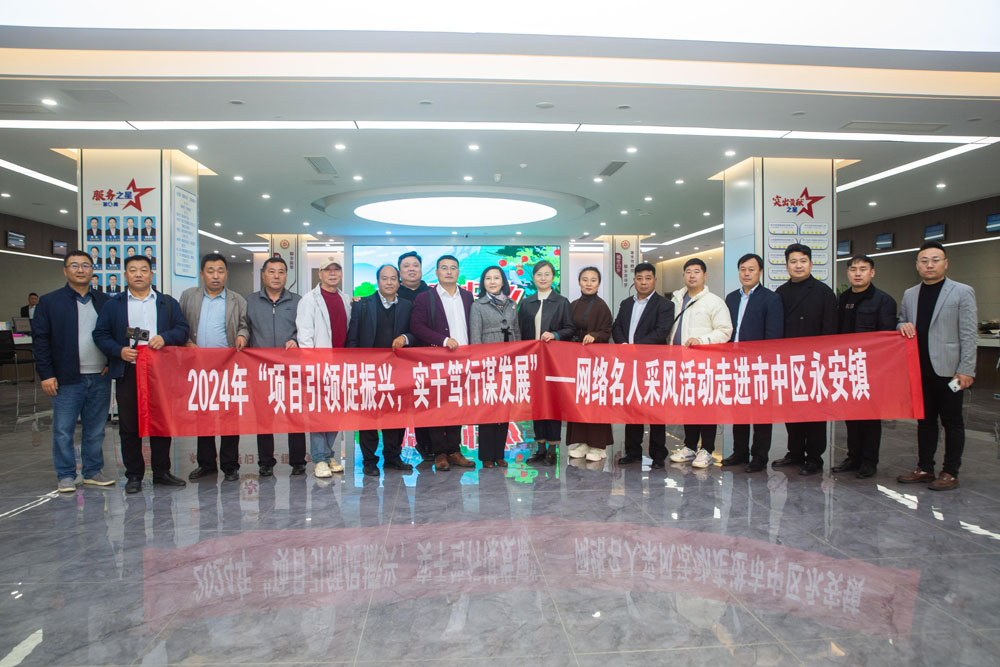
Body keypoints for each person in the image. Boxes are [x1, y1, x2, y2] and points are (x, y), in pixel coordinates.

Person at [93, 254, 189, 494]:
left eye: (144, 270)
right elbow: (100, 335)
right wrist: (119, 351)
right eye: (133, 270)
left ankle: (162, 471)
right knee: (129, 425)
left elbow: (182, 329)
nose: (138, 274)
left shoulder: (167, 303)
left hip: (160, 374)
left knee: (161, 423)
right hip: (129, 371)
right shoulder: (114, 305)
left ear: (151, 274)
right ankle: (134, 475)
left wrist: (165, 338)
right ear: (125, 275)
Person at [897, 241, 977, 491]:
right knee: (925, 421)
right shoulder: (910, 294)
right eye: (924, 261)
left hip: (951, 372)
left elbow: (968, 333)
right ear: (917, 265)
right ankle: (924, 468)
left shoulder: (962, 291)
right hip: (919, 371)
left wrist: (966, 369)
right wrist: (901, 325)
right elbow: (902, 321)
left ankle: (950, 471)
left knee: (952, 421)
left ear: (945, 263)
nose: (929, 265)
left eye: (935, 260)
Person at [33, 251, 115, 492]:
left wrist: (111, 362)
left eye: (85, 265)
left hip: (99, 375)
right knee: (63, 429)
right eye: (75, 265)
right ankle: (66, 475)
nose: (80, 270)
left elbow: (114, 334)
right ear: (65, 270)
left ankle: (93, 471)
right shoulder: (50, 302)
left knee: (96, 429)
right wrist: (46, 374)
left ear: (92, 270)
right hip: (66, 377)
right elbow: (41, 341)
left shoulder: (105, 301)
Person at [180, 253, 249, 483]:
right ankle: (206, 464)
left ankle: (230, 465)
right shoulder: (188, 297)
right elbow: (180, 325)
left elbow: (244, 325)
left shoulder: (237, 300)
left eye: (220, 271)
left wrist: (242, 335)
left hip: (228, 367)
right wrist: (186, 341)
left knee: (229, 416)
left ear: (226, 273)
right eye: (210, 271)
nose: (216, 276)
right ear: (202, 274)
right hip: (198, 368)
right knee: (203, 417)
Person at [772, 243, 838, 476]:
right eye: (793, 261)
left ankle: (814, 458)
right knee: (792, 410)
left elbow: (830, 330)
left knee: (815, 412)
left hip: (816, 363)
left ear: (810, 263)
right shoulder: (780, 293)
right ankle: (795, 452)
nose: (798, 265)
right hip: (788, 362)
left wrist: (823, 360)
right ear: (786, 265)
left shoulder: (823, 292)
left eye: (803, 261)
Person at [830, 255, 898, 479]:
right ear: (848, 273)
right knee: (851, 415)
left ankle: (869, 461)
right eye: (853, 269)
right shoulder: (842, 299)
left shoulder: (883, 301)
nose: (857, 273)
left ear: (872, 272)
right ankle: (853, 457)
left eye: (863, 269)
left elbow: (886, 338)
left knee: (870, 417)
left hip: (871, 368)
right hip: (846, 366)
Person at [347, 264, 415, 476]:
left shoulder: (407, 306)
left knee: (395, 416)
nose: (389, 282)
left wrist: (405, 338)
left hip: (397, 371)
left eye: (393, 278)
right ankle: (369, 461)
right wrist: (354, 370)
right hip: (368, 371)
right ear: (378, 282)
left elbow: (414, 333)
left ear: (399, 282)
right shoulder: (362, 305)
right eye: (384, 278)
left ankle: (392, 458)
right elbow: (352, 339)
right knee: (368, 417)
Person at [410, 254, 477, 472]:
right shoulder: (425, 298)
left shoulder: (467, 296)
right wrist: (443, 340)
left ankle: (454, 450)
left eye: (453, 268)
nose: (449, 271)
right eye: (444, 268)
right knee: (437, 406)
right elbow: (417, 327)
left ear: (458, 272)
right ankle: (439, 452)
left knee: (457, 406)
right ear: (437, 272)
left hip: (463, 362)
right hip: (437, 362)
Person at [668, 258, 733, 469]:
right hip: (681, 363)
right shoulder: (677, 300)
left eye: (696, 271)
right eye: (688, 271)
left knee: (706, 407)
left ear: (705, 275)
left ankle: (707, 449)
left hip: (705, 364)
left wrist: (702, 340)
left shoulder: (714, 302)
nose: (692, 275)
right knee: (688, 406)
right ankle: (689, 446)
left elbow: (725, 331)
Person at [722, 253, 784, 473]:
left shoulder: (771, 298)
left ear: (760, 272)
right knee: (739, 410)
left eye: (751, 269)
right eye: (743, 269)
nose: (746, 274)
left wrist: (764, 363)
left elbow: (773, 336)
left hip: (759, 365)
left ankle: (759, 456)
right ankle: (739, 452)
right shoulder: (731, 298)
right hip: (735, 364)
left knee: (761, 414)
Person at [246, 256, 306, 477]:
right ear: (263, 274)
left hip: (290, 369)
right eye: (271, 271)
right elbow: (244, 327)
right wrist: (242, 337)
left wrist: (296, 340)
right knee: (264, 417)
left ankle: (298, 461)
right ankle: (265, 462)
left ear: (286, 276)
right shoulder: (250, 301)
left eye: (281, 272)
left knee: (295, 414)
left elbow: (305, 329)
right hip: (261, 370)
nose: (276, 276)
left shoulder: (298, 301)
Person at [611, 262, 674, 467]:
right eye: (640, 278)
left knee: (655, 410)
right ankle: (633, 451)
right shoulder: (626, 303)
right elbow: (617, 326)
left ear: (655, 279)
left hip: (653, 365)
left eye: (648, 278)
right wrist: (623, 345)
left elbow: (661, 332)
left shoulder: (665, 305)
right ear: (634, 281)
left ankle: (658, 454)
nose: (644, 282)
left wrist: (635, 348)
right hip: (630, 364)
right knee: (633, 408)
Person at [296, 257, 351, 477]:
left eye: (336, 270)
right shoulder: (309, 300)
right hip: (319, 366)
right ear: (320, 274)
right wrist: (311, 366)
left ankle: (329, 455)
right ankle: (318, 458)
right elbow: (304, 336)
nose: (332, 273)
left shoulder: (345, 299)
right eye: (327, 270)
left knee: (335, 411)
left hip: (341, 366)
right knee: (319, 412)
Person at [518, 260, 574, 466]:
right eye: (539, 274)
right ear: (533, 278)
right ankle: (540, 447)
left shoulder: (562, 302)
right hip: (532, 362)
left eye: (547, 274)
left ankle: (552, 448)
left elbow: (570, 329)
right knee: (536, 404)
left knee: (552, 403)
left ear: (553, 277)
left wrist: (555, 334)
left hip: (553, 362)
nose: (543, 278)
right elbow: (520, 331)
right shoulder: (526, 303)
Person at [470, 265, 521, 468]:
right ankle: (486, 456)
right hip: (488, 365)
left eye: (496, 278)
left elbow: (517, 333)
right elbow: (475, 337)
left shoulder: (512, 304)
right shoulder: (477, 306)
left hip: (508, 364)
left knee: (504, 410)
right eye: (488, 278)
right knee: (488, 410)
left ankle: (500, 454)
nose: (492, 282)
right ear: (483, 283)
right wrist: (480, 364)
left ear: (503, 281)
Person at [565, 267, 615, 462]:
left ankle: (598, 446)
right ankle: (582, 442)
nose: (588, 283)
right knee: (578, 401)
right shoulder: (572, 305)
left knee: (596, 402)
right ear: (579, 282)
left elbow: (607, 331)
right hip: (576, 362)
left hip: (596, 362)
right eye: (585, 279)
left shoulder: (602, 307)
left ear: (599, 283)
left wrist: (594, 335)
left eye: (593, 280)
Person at [395, 249, 435, 464]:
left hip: (427, 358)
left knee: (426, 402)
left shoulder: (432, 294)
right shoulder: (391, 292)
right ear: (399, 271)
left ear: (421, 269)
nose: (411, 269)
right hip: (398, 359)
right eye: (406, 266)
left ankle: (427, 445)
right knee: (398, 406)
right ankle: (394, 451)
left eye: (415, 265)